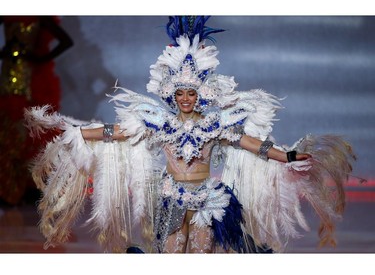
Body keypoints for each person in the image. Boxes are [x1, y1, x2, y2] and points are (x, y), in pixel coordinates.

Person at [24, 16, 355, 253]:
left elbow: (252, 144)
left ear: (200, 95)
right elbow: (118, 132)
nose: (185, 98)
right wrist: (82, 133)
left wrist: (287, 156)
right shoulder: (158, 121)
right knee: (171, 252)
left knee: (200, 255)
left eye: (191, 93)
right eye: (180, 93)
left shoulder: (216, 123)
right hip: (170, 197)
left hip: (209, 199)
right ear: (172, 93)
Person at [0, 16, 73, 205]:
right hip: (8, 77)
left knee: (30, 133)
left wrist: (39, 58)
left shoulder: (39, 15)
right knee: (7, 132)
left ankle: (28, 187)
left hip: (31, 81)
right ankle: (8, 188)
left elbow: (66, 41)